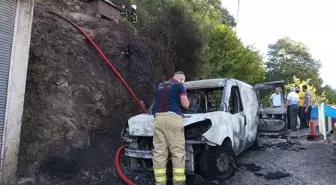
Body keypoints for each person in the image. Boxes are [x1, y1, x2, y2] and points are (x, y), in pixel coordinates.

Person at [152, 71, 190, 185]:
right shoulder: (179, 85)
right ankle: (178, 183)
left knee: (159, 153)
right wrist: (187, 103)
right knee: (177, 153)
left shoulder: (160, 85)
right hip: (173, 119)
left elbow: (157, 103)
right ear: (182, 79)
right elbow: (185, 104)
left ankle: (160, 183)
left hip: (158, 119)